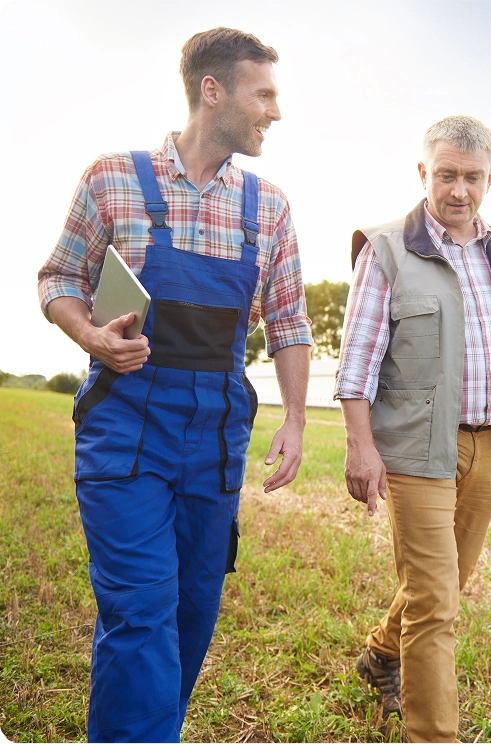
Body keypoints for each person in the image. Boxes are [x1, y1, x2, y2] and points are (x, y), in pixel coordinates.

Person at [37, 27, 312, 744]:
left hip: (215, 432)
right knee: (141, 611)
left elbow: (288, 323)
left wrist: (294, 421)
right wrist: (90, 336)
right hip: (125, 425)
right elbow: (59, 278)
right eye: (265, 95)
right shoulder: (112, 178)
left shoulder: (269, 208)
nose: (275, 112)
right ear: (212, 92)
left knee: (191, 611)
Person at [334, 115, 491, 744]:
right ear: (423, 173)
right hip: (418, 449)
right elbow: (358, 358)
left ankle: (380, 654)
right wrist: (360, 446)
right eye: (446, 174)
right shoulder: (387, 248)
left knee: (442, 584)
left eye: (472, 177)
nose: (459, 190)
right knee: (437, 604)